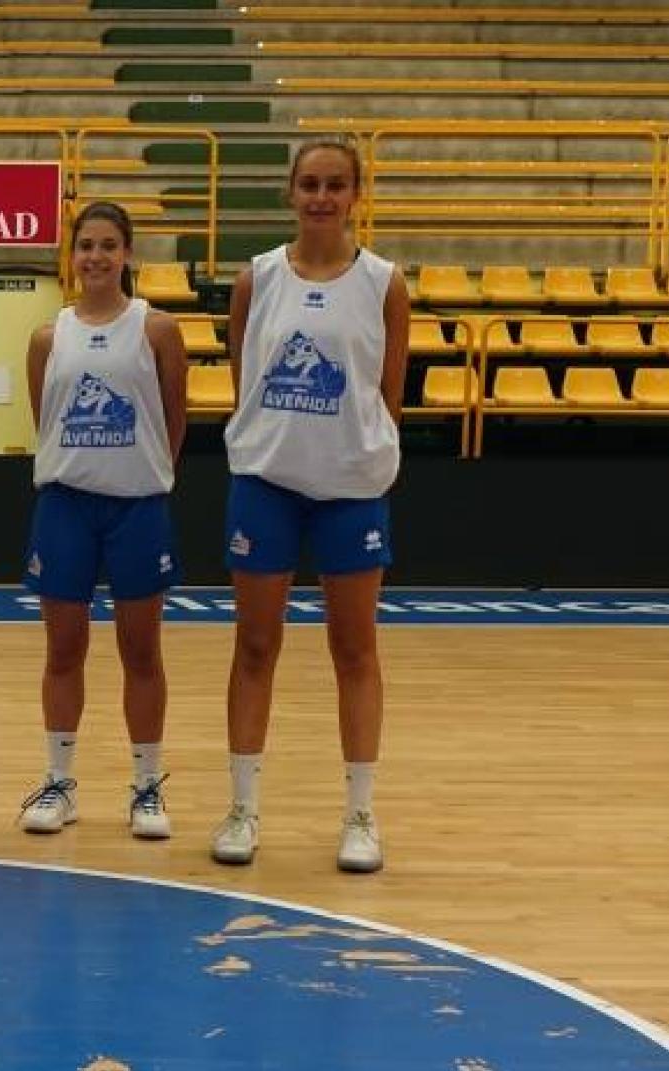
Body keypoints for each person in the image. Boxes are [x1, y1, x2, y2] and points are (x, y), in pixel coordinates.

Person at [215, 138, 409, 873]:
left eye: (335, 185)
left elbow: (388, 391)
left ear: (355, 193)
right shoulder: (257, 278)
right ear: (289, 193)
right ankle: (241, 808)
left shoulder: (384, 284)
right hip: (267, 483)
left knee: (354, 651)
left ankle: (360, 815)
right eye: (309, 184)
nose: (321, 197)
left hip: (351, 490)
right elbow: (247, 379)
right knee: (255, 646)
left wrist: (361, 449)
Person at [17, 202, 188, 839]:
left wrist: (143, 473)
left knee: (140, 651)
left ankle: (147, 786)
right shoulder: (46, 337)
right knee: (64, 650)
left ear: (127, 255)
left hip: (137, 507)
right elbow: (47, 418)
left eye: (108, 245)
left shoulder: (156, 330)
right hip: (65, 505)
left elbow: (174, 417)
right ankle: (59, 783)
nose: (95, 256)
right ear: (73, 255)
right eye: (85, 245)